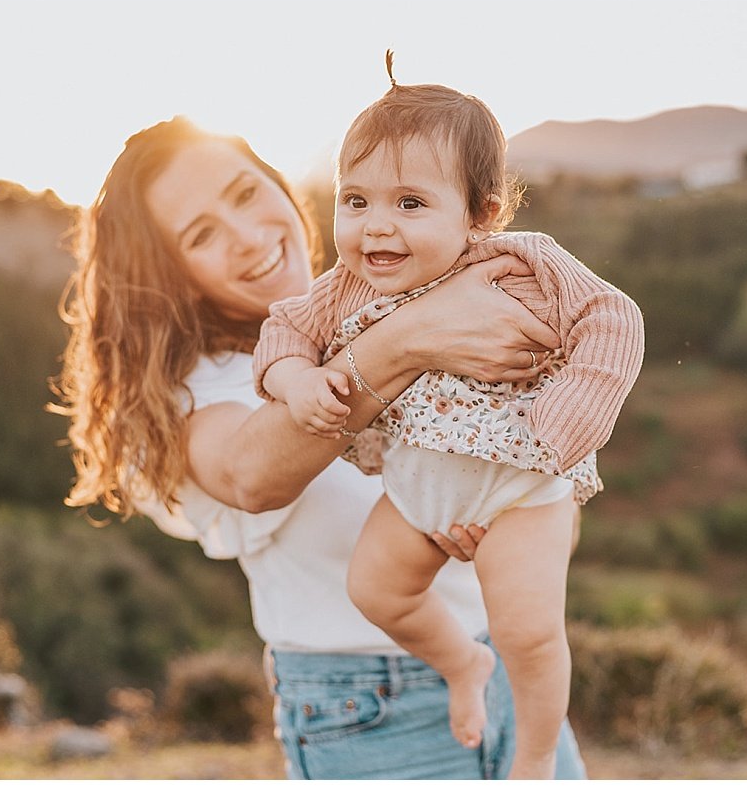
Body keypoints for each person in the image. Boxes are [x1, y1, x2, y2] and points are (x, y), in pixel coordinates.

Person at [53, 115, 589, 779]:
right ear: (177, 273)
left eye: (247, 194)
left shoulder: (391, 291)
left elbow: (547, 487)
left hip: (514, 670)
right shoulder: (195, 387)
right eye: (202, 235)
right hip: (371, 708)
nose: (250, 237)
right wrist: (410, 339)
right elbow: (252, 473)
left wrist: (505, 515)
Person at [254, 65, 644, 779]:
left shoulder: (525, 262)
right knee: (375, 588)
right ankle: (462, 662)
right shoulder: (344, 285)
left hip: (520, 487)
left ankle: (532, 758)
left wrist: (575, 411)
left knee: (528, 631)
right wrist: (297, 378)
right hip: (421, 491)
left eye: (409, 202)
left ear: (481, 213)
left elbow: (612, 318)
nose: (377, 224)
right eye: (356, 199)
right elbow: (281, 331)